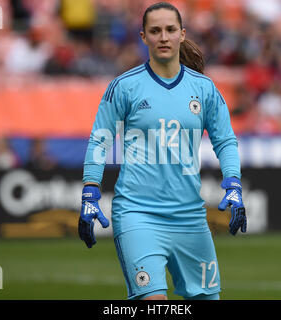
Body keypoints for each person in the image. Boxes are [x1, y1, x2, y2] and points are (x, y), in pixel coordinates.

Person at [78, 2, 246, 301]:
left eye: (170, 30)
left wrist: (233, 183)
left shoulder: (205, 89)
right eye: (155, 31)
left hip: (190, 216)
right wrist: (90, 192)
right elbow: (99, 140)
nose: (164, 37)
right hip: (137, 214)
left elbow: (226, 141)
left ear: (182, 34)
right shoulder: (124, 87)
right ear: (143, 37)